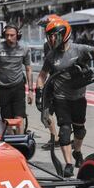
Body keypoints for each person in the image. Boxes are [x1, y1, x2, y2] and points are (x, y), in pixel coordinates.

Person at [35, 19, 94, 177]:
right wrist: (38, 91)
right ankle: (68, 163)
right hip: (60, 98)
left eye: (54, 36)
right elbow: (42, 75)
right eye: (49, 37)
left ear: (64, 34)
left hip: (78, 98)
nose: (51, 40)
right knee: (65, 131)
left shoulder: (78, 49)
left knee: (80, 131)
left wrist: (88, 56)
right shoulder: (51, 55)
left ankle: (77, 151)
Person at [0, 23, 33, 134]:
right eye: (7, 35)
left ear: (17, 36)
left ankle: (21, 140)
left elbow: (28, 69)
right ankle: (10, 141)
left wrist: (31, 91)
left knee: (19, 118)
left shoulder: (24, 48)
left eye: (12, 35)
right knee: (6, 120)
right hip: (3, 88)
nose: (9, 38)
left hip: (18, 86)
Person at [37, 14, 62, 150]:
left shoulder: (66, 43)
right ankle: (55, 138)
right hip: (52, 82)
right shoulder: (46, 45)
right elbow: (46, 67)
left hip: (64, 84)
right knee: (45, 113)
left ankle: (63, 139)